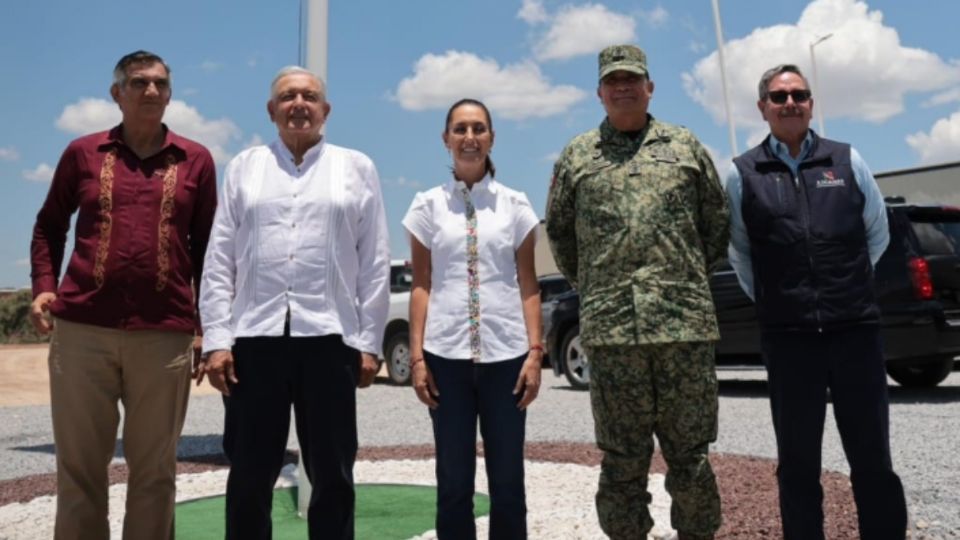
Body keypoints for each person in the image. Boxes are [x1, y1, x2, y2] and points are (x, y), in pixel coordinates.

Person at [29, 50, 217, 539]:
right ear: (117, 93)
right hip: (82, 331)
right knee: (79, 470)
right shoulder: (82, 153)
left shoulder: (195, 159)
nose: (150, 91)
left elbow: (209, 252)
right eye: (138, 83)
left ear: (170, 93)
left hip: (164, 334)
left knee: (155, 472)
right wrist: (43, 289)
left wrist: (205, 327)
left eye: (159, 83)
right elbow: (49, 227)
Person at [545, 44, 729, 540]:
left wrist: (681, 278)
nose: (623, 87)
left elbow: (716, 222)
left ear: (650, 87)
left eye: (633, 79)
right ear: (600, 92)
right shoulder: (579, 155)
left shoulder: (685, 146)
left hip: (682, 329)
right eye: (613, 80)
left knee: (690, 457)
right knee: (623, 459)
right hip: (613, 334)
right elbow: (561, 234)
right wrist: (600, 286)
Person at [199, 65, 389, 540]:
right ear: (271, 110)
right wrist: (217, 340)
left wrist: (369, 343)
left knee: (332, 472)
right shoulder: (245, 167)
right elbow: (220, 257)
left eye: (309, 96)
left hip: (329, 338)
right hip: (254, 340)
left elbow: (374, 261)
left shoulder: (357, 167)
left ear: (325, 110)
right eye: (287, 96)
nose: (298, 104)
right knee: (248, 472)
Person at [724, 63, 907, 539]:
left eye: (799, 95)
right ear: (762, 107)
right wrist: (778, 301)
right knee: (799, 465)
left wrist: (844, 286)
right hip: (790, 342)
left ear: (811, 103)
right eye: (780, 97)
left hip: (855, 334)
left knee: (872, 460)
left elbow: (877, 233)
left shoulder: (847, 161)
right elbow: (742, 253)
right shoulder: (744, 174)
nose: (790, 104)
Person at [403, 98, 542, 539]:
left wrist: (535, 354)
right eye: (460, 129)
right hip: (446, 357)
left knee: (507, 482)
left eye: (478, 129)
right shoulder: (426, 207)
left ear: (491, 138)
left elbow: (528, 283)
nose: (469, 138)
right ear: (446, 139)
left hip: (506, 357)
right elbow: (421, 285)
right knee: (454, 481)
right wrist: (419, 358)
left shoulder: (516, 205)